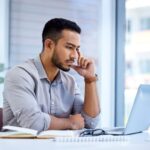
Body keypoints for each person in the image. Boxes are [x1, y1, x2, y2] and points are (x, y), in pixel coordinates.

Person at [3, 18, 100, 132]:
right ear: (49, 45)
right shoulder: (19, 75)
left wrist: (90, 80)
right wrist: (70, 122)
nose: (74, 56)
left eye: (77, 49)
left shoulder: (70, 82)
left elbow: (90, 122)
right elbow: (33, 123)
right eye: (69, 47)